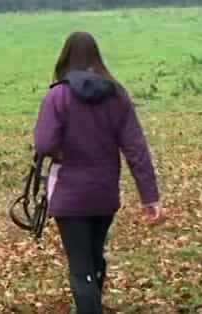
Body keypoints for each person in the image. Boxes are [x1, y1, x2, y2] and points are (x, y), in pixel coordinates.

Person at [34, 32, 162, 313]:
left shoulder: (58, 96)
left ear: (65, 58)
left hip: (69, 195)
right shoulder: (117, 95)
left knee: (81, 268)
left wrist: (57, 151)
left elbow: (43, 144)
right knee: (95, 258)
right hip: (105, 194)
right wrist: (149, 196)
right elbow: (136, 148)